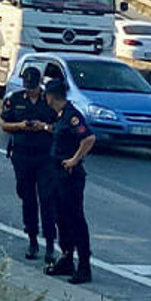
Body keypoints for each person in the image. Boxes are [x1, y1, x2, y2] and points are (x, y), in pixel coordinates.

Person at [42, 78, 96, 285]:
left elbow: (88, 139)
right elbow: (59, 132)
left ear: (51, 97)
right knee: (60, 218)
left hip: (70, 176)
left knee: (75, 220)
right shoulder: (61, 116)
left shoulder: (73, 116)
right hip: (56, 175)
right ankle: (66, 258)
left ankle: (84, 265)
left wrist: (75, 159)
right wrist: (46, 128)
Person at [0, 67, 58, 261]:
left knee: (47, 200)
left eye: (33, 87)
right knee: (28, 199)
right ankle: (32, 240)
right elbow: (5, 124)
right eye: (28, 87)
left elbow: (60, 127)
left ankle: (50, 244)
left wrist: (44, 127)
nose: (30, 91)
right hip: (22, 156)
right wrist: (21, 125)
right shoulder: (15, 99)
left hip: (45, 157)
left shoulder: (49, 101)